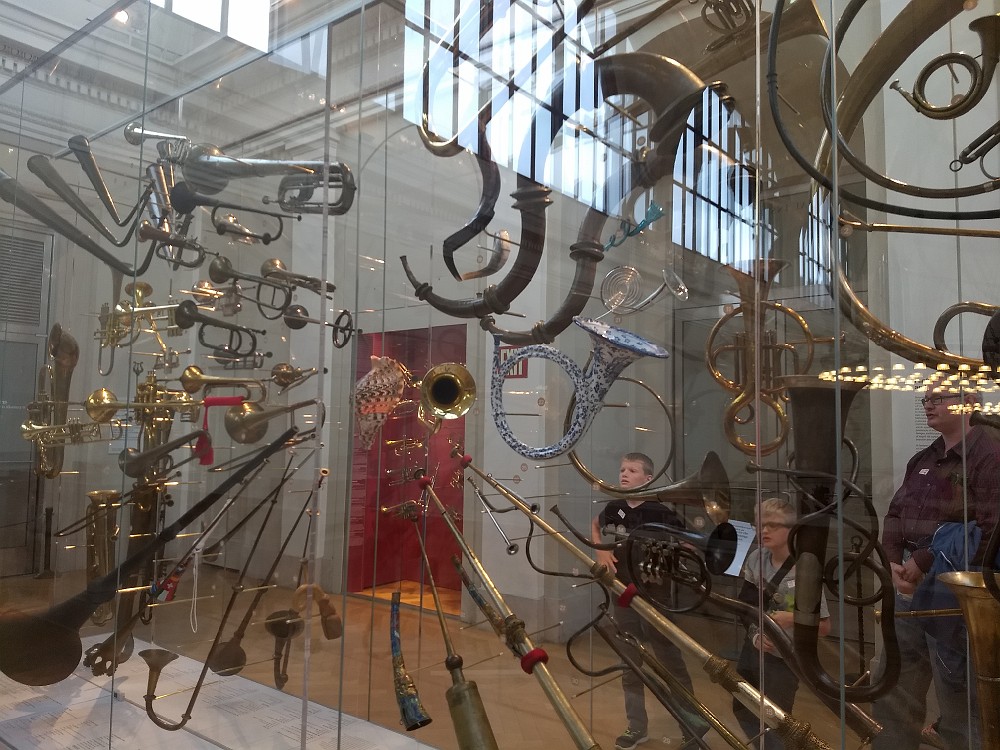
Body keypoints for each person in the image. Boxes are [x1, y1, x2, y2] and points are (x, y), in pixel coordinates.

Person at [871, 386, 1000, 750]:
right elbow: (896, 513)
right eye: (926, 399)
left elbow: (991, 532)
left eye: (938, 398)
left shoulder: (990, 457)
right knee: (893, 694)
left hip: (952, 599)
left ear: (970, 403)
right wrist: (892, 561)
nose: (928, 405)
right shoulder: (923, 458)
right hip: (908, 589)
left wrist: (925, 561)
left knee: (961, 705)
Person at [591, 452, 710, 749]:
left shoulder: (662, 511)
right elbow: (595, 525)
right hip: (622, 592)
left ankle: (691, 725)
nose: (624, 474)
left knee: (670, 660)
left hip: (656, 595)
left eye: (632, 470)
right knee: (629, 660)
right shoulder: (614, 507)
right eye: (622, 469)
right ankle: (636, 727)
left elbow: (688, 542)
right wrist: (600, 550)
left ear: (648, 478)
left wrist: (677, 557)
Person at [732, 495, 830, 749]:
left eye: (773, 525)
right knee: (742, 706)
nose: (764, 531)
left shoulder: (805, 568)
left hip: (785, 659)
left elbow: (824, 627)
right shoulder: (756, 558)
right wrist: (755, 635)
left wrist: (792, 618)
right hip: (754, 649)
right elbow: (745, 606)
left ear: (791, 529)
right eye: (760, 525)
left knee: (776, 720)